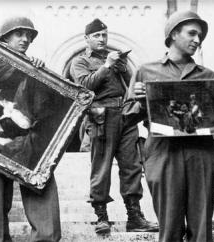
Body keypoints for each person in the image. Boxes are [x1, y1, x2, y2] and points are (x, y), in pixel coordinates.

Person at [127, 10, 214, 242]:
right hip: (163, 153)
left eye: (200, 36)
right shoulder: (146, 71)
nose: (197, 40)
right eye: (192, 33)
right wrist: (138, 100)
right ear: (174, 34)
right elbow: (126, 118)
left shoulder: (208, 76)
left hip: (200, 153)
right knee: (170, 229)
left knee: (202, 230)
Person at [69, 18, 158, 234]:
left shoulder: (116, 61)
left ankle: (135, 217)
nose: (102, 39)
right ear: (87, 39)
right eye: (97, 36)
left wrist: (124, 68)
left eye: (104, 35)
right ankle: (101, 217)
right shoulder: (80, 62)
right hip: (101, 116)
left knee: (132, 166)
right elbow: (84, 87)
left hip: (126, 116)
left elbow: (132, 86)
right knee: (102, 167)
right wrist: (107, 66)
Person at [0, 16, 61, 242]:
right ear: (5, 38)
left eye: (29, 36)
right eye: (19, 34)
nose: (25, 39)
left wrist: (41, 76)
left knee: (40, 184)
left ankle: (46, 238)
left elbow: (48, 109)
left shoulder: (35, 69)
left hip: (30, 139)